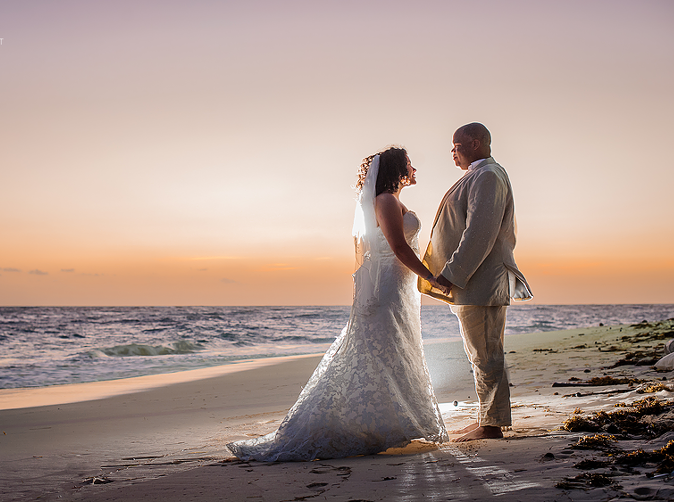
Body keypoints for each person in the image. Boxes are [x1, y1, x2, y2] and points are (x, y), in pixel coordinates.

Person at [226, 147, 448, 461]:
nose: (414, 170)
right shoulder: (385, 200)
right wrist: (433, 277)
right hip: (387, 285)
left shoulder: (393, 200)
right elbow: (398, 246)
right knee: (378, 348)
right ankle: (361, 424)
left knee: (393, 348)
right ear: (398, 170)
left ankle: (391, 422)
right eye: (410, 164)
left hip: (400, 287)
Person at [418, 123, 533, 442]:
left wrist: (451, 273)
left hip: (479, 280)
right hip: (473, 282)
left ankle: (492, 425)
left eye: (456, 145)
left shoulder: (488, 176)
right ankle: (488, 418)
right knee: (480, 353)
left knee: (485, 354)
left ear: (476, 142)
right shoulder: (479, 175)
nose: (452, 151)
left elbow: (479, 233)